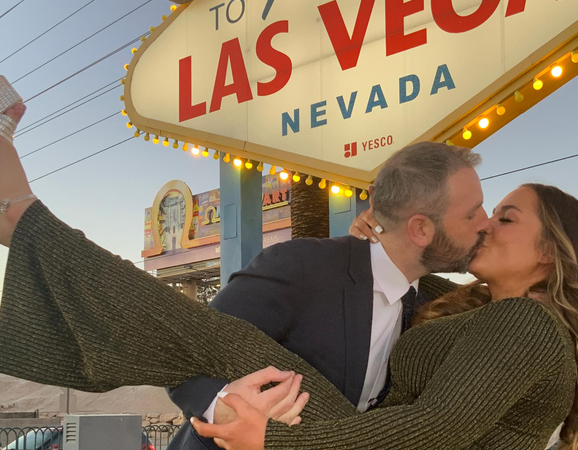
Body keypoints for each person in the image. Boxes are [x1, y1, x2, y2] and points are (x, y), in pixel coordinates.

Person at [0, 98, 578, 449]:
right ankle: (16, 219)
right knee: (220, 345)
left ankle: (15, 218)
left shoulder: (521, 323)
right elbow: (402, 277)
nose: (482, 225)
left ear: (550, 255)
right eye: (481, 212)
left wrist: (273, 437)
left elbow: (435, 424)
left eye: (503, 218)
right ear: (421, 228)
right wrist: (230, 410)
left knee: (226, 345)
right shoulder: (442, 298)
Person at [166, 135, 489, 450]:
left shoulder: (426, 302)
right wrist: (221, 406)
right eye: (473, 213)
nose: (485, 223)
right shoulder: (300, 265)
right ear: (420, 229)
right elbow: (182, 349)